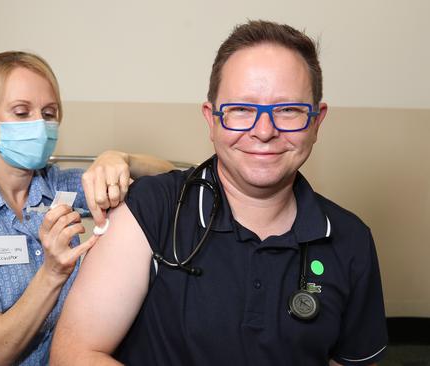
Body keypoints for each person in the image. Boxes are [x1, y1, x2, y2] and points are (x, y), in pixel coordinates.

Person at [51, 20, 388, 366]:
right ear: (211, 120)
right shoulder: (152, 210)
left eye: (289, 110)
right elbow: (73, 355)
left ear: (317, 122)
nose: (264, 131)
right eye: (242, 109)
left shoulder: (350, 240)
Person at [0, 51, 174, 365]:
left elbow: (170, 182)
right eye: (22, 112)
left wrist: (120, 158)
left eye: (49, 113)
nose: (39, 125)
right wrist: (53, 272)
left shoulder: (61, 189)